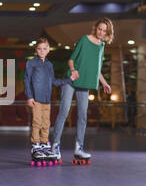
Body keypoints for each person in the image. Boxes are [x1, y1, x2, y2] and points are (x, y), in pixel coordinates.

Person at [50, 18, 114, 164]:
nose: (101, 32)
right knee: (64, 111)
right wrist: (73, 70)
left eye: (104, 31)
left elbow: (97, 69)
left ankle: (79, 147)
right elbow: (71, 60)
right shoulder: (84, 40)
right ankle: (55, 145)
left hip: (84, 84)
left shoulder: (101, 46)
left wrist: (104, 83)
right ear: (95, 27)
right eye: (100, 29)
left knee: (83, 116)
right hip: (71, 81)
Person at [24, 38, 77, 166]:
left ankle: (44, 145)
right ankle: (35, 145)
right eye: (39, 48)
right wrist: (29, 97)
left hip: (47, 99)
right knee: (37, 122)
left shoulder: (49, 65)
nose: (42, 51)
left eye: (44, 48)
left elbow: (54, 81)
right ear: (36, 50)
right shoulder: (31, 63)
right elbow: (27, 80)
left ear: (48, 50)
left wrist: (69, 79)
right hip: (36, 98)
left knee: (46, 123)